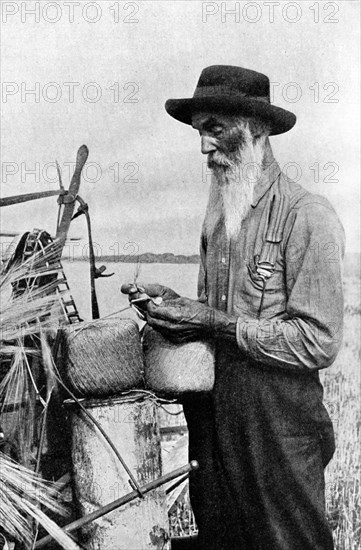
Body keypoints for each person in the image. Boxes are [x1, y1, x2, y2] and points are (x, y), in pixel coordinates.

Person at [122, 65, 345, 550]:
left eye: (215, 130)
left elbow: (319, 341)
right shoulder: (219, 214)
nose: (203, 146)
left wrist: (213, 322)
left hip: (279, 424)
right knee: (221, 538)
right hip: (212, 409)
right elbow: (216, 314)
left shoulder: (308, 217)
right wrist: (178, 310)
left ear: (258, 129)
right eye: (200, 132)